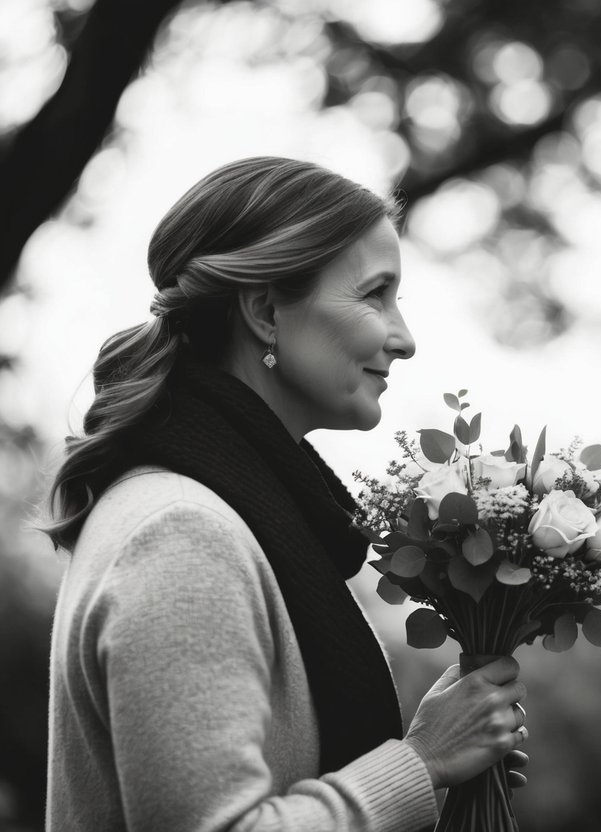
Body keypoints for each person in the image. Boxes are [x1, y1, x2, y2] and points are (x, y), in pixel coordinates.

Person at [43, 156, 528, 831]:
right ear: (266, 311)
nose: (404, 338)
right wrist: (419, 762)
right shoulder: (183, 535)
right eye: (374, 293)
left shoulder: (234, 514)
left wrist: (440, 754)